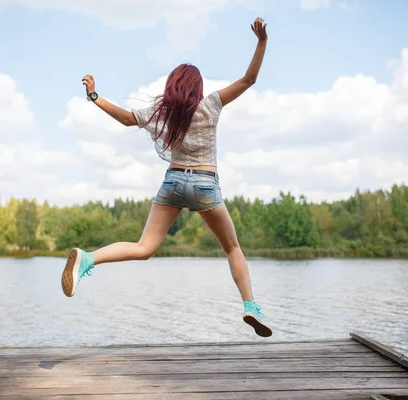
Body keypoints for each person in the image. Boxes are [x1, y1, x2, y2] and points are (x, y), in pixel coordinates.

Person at [62, 18, 271, 337]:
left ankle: (89, 258)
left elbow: (126, 119)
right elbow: (249, 79)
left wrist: (94, 97)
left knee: (144, 247)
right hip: (205, 185)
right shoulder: (211, 104)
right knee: (231, 248)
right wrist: (261, 41)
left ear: (173, 85)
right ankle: (250, 306)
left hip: (173, 183)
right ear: (197, 87)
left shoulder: (163, 111)